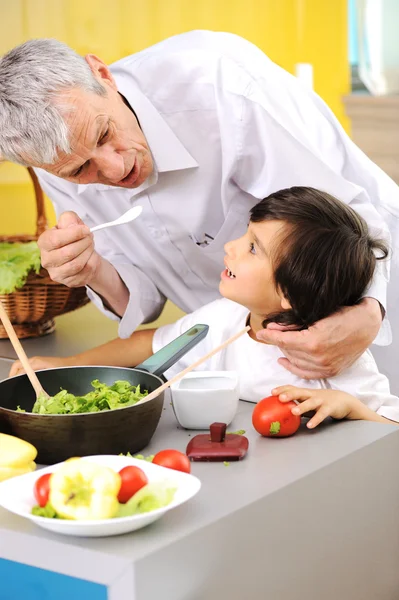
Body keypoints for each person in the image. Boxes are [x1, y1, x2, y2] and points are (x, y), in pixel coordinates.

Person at [1, 31, 399, 387]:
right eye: (81, 169)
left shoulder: (222, 86)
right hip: (243, 335)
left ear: (102, 74)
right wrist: (92, 270)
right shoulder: (55, 165)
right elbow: (143, 300)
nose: (116, 168)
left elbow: (348, 218)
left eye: (105, 134)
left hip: (374, 279)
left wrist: (367, 314)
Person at [10, 187, 399, 428]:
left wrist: (349, 406)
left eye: (251, 248)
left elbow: (389, 429)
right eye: (245, 234)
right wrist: (69, 365)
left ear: (289, 296)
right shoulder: (220, 319)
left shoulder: (331, 360)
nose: (229, 246)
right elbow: (148, 346)